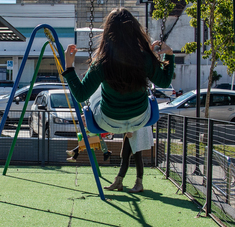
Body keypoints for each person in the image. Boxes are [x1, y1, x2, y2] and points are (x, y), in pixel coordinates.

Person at [62, 7, 175, 137]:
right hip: (141, 119)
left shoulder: (102, 62)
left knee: (97, 92)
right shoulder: (144, 58)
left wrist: (69, 66)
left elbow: (81, 95)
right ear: (135, 31)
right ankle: (128, 128)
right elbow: (165, 82)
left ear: (108, 33)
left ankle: (105, 132)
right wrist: (169, 55)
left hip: (108, 122)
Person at [105, 127, 153, 193]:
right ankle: (118, 181)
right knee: (125, 155)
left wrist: (130, 130)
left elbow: (136, 117)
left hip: (136, 130)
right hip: (130, 129)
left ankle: (139, 183)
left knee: (137, 156)